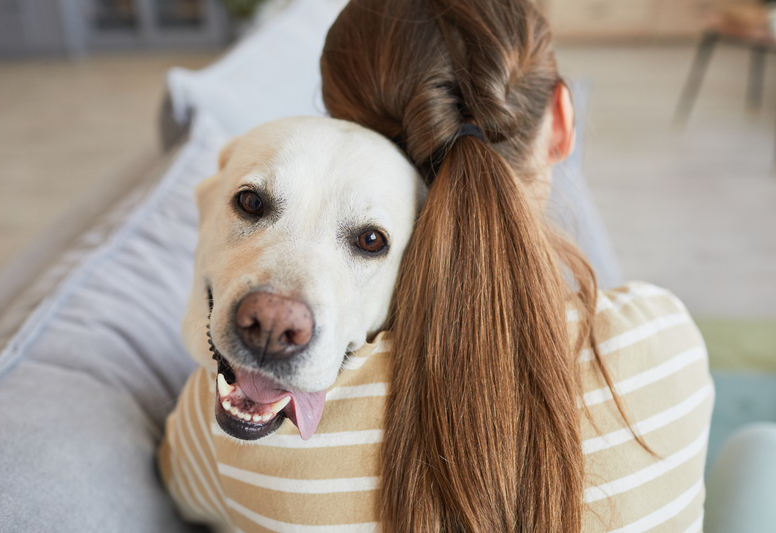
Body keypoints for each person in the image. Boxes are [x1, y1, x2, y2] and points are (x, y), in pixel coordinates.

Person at [160, 0, 713, 531]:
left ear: (349, 122)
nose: (273, 320)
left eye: (370, 240)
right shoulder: (667, 337)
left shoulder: (223, 429)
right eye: (254, 205)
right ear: (564, 121)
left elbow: (182, 494)